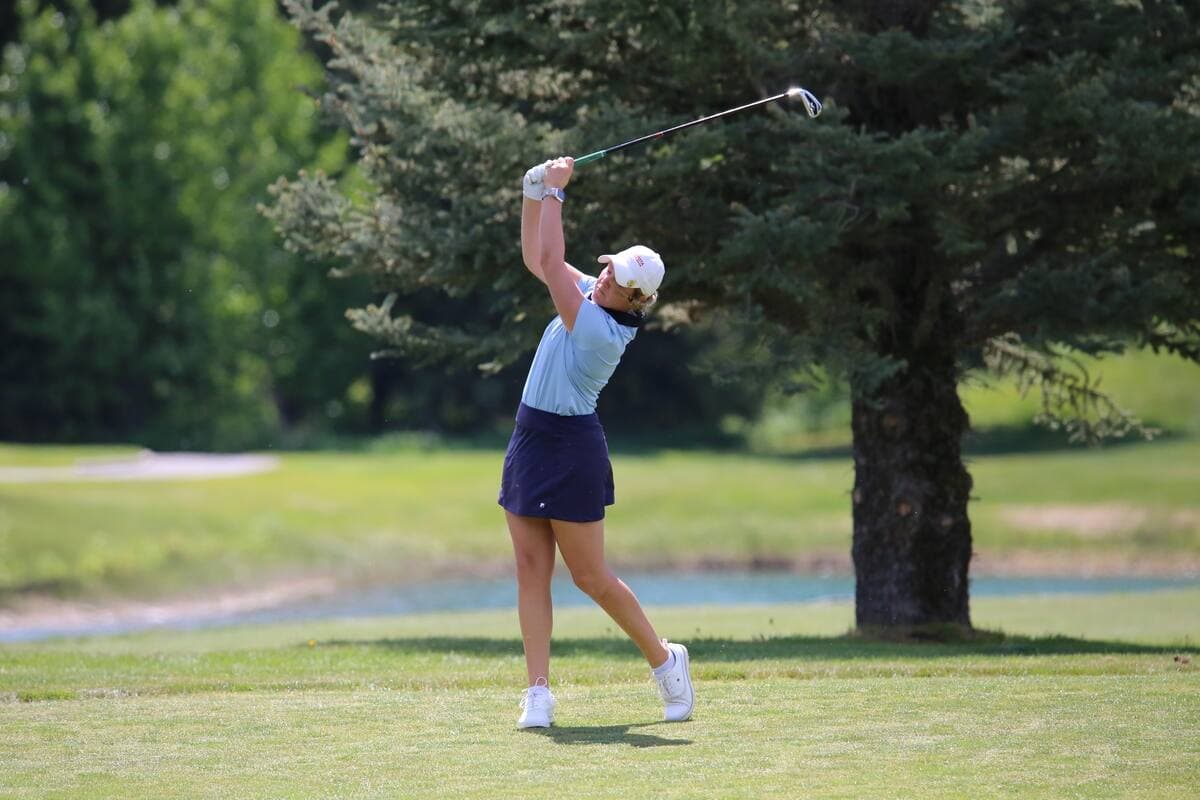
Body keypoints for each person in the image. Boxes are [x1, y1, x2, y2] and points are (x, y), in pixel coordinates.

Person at [499, 156, 695, 729]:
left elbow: (554, 261)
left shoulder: (601, 329)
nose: (602, 276)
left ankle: (666, 661)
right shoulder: (597, 294)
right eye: (606, 269)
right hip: (530, 435)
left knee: (590, 578)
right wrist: (531, 190)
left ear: (634, 300)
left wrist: (556, 195)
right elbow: (539, 260)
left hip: (572, 448)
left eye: (614, 280)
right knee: (530, 567)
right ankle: (538, 692)